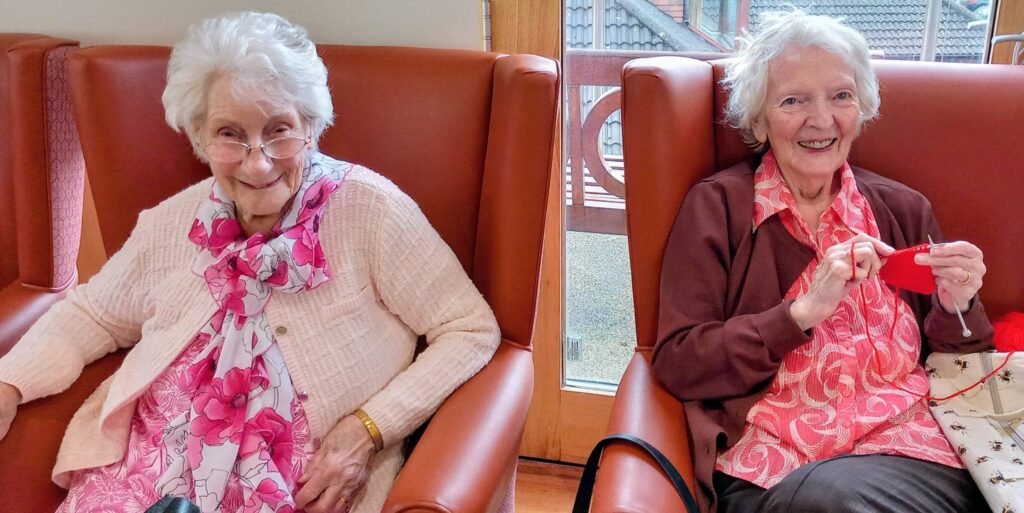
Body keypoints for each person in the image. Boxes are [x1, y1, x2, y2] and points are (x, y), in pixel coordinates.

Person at [0, 12, 500, 513]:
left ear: (311, 125)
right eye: (229, 134)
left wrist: (367, 429)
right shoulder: (172, 223)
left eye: (279, 130)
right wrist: (9, 382)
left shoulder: (369, 210)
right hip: (143, 478)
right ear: (199, 138)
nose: (257, 163)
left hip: (296, 484)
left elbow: (469, 328)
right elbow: (93, 314)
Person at [652, 9, 992, 513]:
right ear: (759, 117)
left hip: (913, 453)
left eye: (841, 96)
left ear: (863, 107)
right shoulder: (718, 209)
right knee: (826, 500)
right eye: (793, 100)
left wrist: (957, 301)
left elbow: (963, 356)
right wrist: (800, 314)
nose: (822, 120)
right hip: (774, 468)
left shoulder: (902, 209)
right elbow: (679, 362)